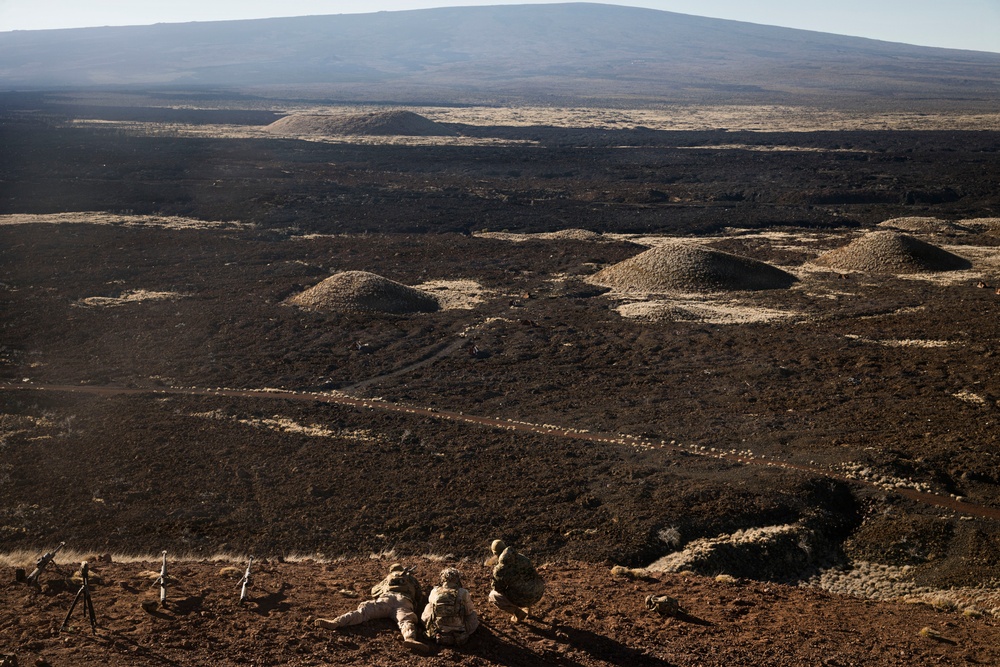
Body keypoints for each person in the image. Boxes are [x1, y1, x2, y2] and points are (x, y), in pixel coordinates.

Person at [315, 562, 431, 655]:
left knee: (363, 612)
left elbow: (374, 591)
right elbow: (419, 595)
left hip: (386, 599)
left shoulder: (388, 578)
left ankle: (337, 622)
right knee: (406, 620)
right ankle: (410, 638)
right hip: (403, 601)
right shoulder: (410, 578)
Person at [487, 539, 545, 623]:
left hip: (524, 597)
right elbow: (533, 574)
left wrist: (497, 578)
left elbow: (497, 588)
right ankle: (529, 611)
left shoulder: (500, 569)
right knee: (526, 583)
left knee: (493, 596)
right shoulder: (521, 557)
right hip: (538, 592)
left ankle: (518, 613)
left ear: (495, 553)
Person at [421, 567, 479, 646]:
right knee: (473, 615)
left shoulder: (435, 591)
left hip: (438, 629)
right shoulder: (463, 592)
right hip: (459, 631)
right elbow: (469, 610)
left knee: (429, 606)